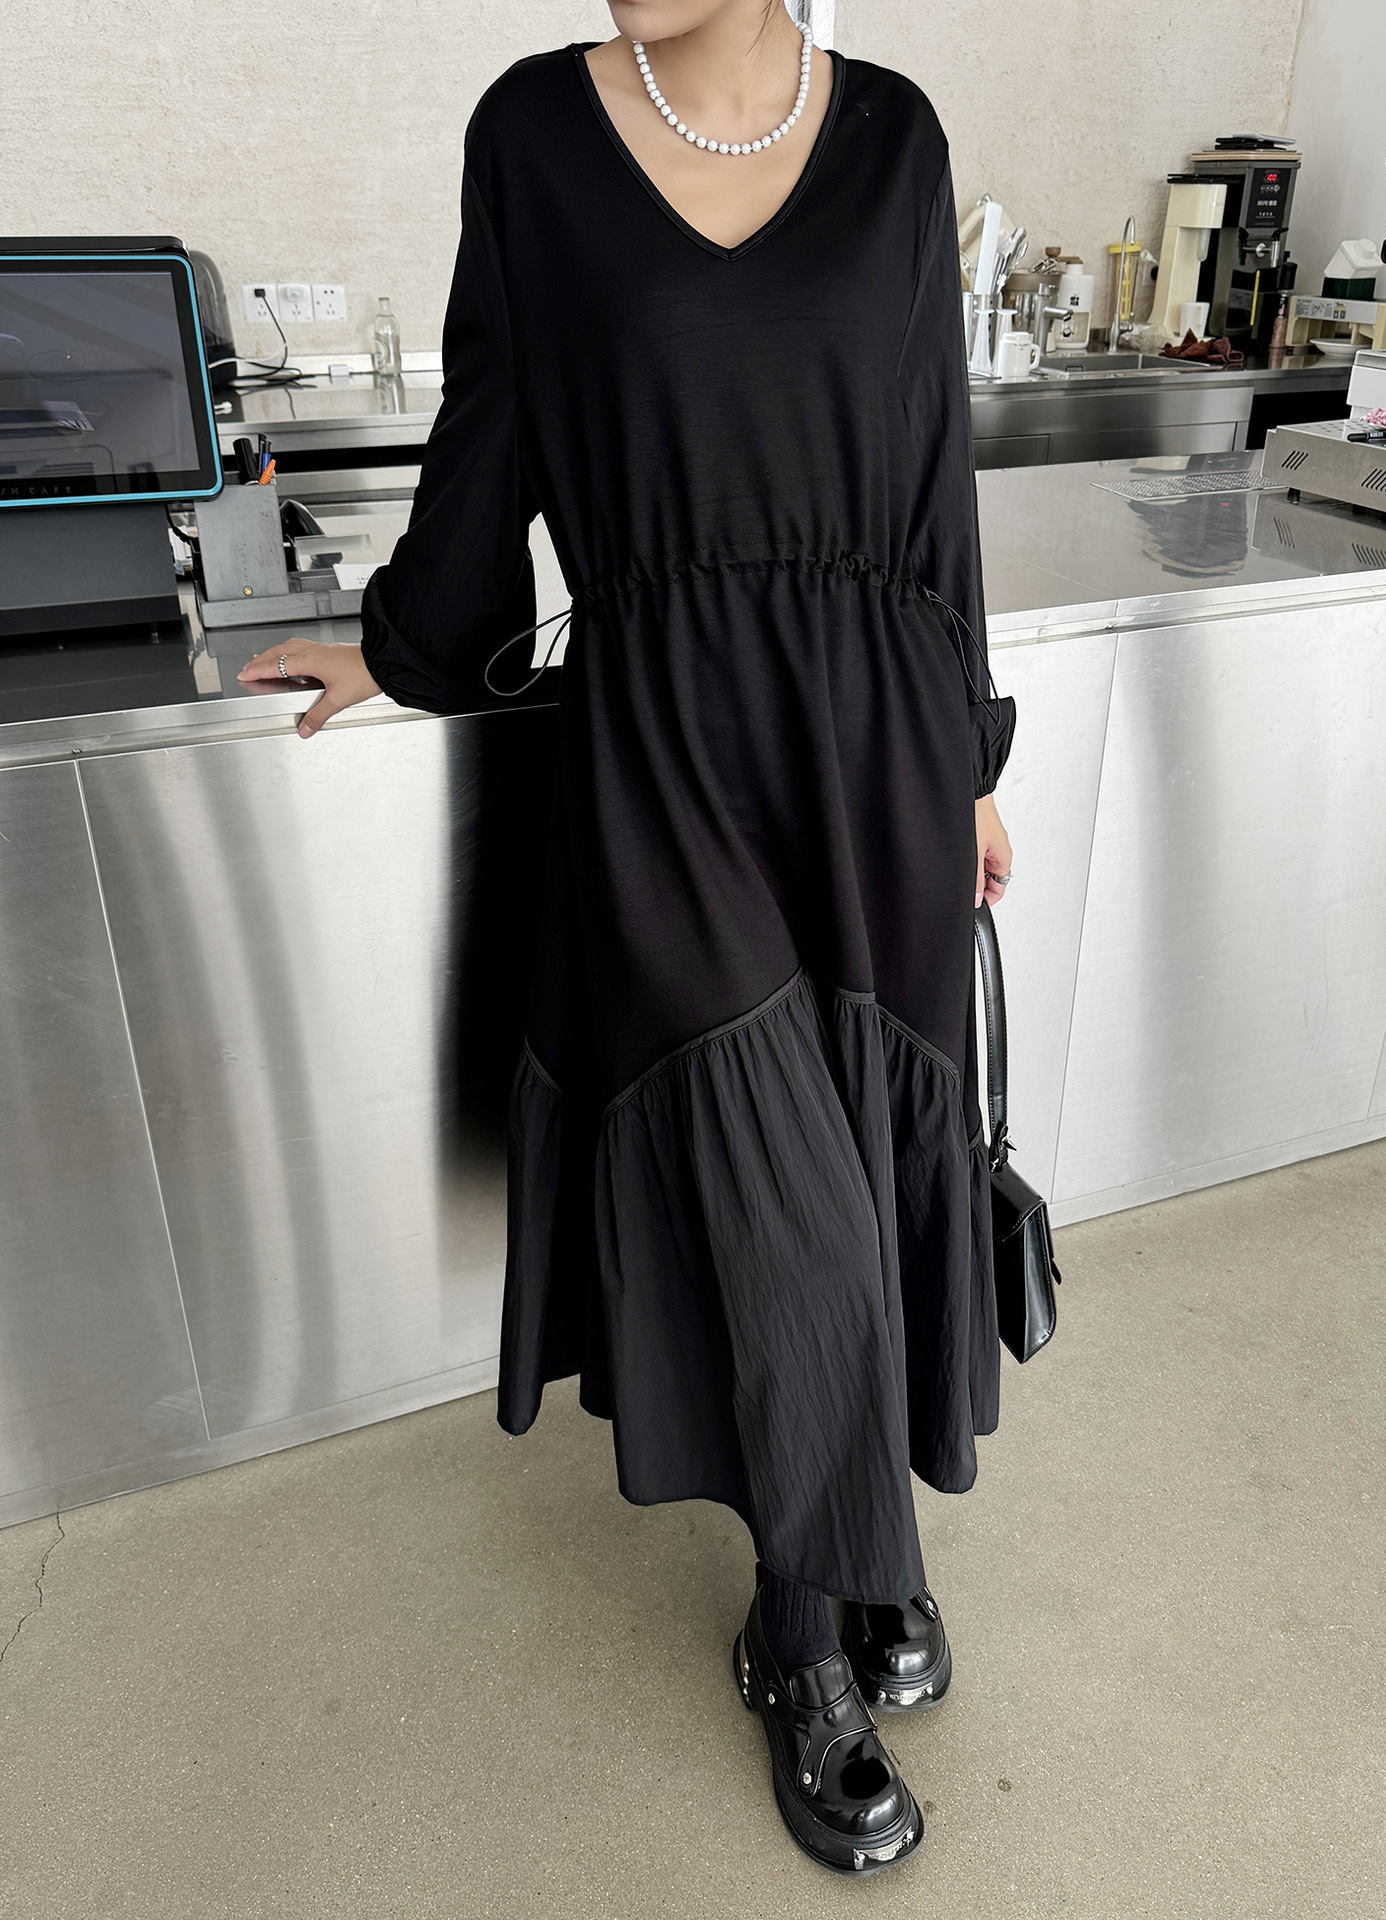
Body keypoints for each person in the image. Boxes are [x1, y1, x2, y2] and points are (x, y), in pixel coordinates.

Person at [242, 0, 1015, 1876]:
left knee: (866, 1160)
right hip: (660, 744)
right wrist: (403, 646)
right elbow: (491, 430)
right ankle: (805, 1634)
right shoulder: (534, 132)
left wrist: (973, 756)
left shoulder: (896, 142)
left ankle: (843, 1549)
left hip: (878, 749)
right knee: (776, 1194)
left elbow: (935, 476)